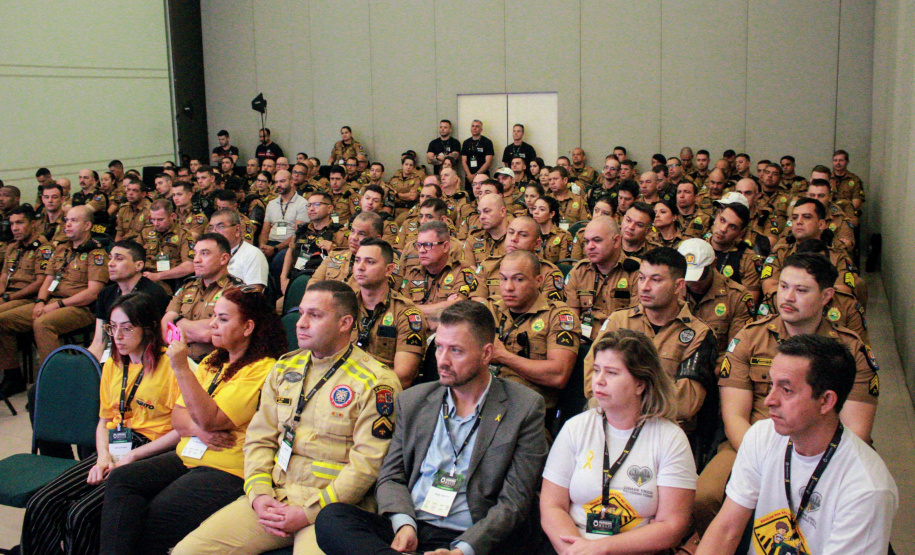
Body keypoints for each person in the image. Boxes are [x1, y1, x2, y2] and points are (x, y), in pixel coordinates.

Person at [172, 281, 401, 555]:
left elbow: (366, 466)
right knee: (188, 551)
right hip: (276, 494)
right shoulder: (285, 366)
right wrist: (259, 494)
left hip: (332, 508)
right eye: (301, 313)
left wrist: (308, 513)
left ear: (345, 323)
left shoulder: (376, 381)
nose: (301, 323)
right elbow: (259, 438)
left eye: (314, 315)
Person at [314, 300, 549, 555]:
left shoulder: (524, 407)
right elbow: (391, 476)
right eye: (439, 348)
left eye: (456, 351)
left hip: (476, 534)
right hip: (415, 526)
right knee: (332, 518)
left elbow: (514, 502)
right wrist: (404, 525)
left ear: (486, 353)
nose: (442, 361)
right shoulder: (413, 400)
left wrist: (462, 550)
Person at [694, 253, 880, 535]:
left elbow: (858, 430)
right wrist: (768, 461)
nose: (788, 297)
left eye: (801, 290)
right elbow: (733, 417)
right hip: (748, 442)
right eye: (783, 286)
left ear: (826, 295)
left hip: (823, 450)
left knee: (832, 512)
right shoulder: (750, 337)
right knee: (704, 498)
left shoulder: (850, 350)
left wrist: (799, 465)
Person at [99, 287, 287, 554]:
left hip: (226, 468)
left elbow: (210, 419)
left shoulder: (262, 368)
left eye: (222, 319)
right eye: (213, 316)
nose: (212, 324)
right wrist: (200, 429)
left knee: (156, 514)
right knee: (121, 479)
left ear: (247, 327)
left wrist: (181, 368)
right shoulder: (213, 359)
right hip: (189, 453)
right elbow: (178, 417)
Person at [697, 335, 897, 555]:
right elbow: (725, 531)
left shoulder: (867, 489)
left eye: (786, 390)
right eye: (771, 384)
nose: (768, 401)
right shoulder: (761, 436)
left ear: (826, 401)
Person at [19, 293, 181, 555]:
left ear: (148, 328)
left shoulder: (172, 365)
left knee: (81, 515)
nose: (117, 336)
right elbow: (104, 420)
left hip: (153, 448)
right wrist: (102, 457)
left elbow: (181, 431)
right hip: (116, 441)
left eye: (127, 328)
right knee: (42, 502)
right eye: (112, 327)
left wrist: (132, 456)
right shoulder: (114, 364)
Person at [540, 329, 696, 554]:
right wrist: (575, 551)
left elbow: (672, 526)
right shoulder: (576, 427)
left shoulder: (670, 438)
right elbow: (552, 507)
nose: (599, 381)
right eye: (596, 370)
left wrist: (602, 549)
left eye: (612, 373)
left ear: (640, 384)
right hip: (573, 546)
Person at [584, 247, 717, 437]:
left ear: (678, 286)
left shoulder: (698, 334)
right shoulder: (619, 321)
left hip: (664, 434)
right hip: (610, 426)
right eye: (641, 278)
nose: (644, 287)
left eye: (656, 280)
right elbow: (591, 380)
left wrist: (622, 398)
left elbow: (686, 404)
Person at [0, 205, 109, 393]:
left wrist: (57, 305)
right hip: (52, 302)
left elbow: (93, 292)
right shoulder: (61, 250)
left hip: (81, 307)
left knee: (43, 324)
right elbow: (47, 280)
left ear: (87, 225)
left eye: (73, 221)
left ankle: (54, 382)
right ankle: (12, 375)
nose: (67, 225)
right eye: (66, 220)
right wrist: (40, 301)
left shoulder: (96, 253)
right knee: (3, 321)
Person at [481, 250, 579, 414]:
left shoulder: (558, 316)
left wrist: (504, 356)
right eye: (503, 279)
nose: (508, 287)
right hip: (484, 401)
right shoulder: (490, 309)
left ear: (538, 281)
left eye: (518, 279)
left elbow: (558, 375)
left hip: (526, 411)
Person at [351, 238, 426, 388]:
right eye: (357, 260)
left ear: (388, 270)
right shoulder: (344, 306)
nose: (360, 267)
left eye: (370, 262)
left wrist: (358, 388)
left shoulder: (406, 314)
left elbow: (403, 377)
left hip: (381, 394)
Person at [161, 233, 244, 361]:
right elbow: (165, 327)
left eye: (204, 253)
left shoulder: (235, 290)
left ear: (223, 259)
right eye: (195, 253)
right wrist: (195, 330)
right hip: (177, 361)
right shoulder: (188, 285)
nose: (196, 260)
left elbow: (208, 334)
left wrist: (177, 322)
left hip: (214, 366)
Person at [88, 240, 171, 363]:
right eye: (110, 258)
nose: (110, 264)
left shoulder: (153, 294)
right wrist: (88, 366)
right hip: (113, 355)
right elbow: (99, 341)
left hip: (144, 359)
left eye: (119, 259)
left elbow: (152, 342)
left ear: (138, 266)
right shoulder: (105, 294)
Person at [565, 217, 641, 341]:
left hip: (621, 343)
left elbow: (635, 323)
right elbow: (572, 319)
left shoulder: (636, 272)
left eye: (597, 240)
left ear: (616, 241)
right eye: (587, 241)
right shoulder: (579, 271)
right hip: (583, 340)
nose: (590, 247)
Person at [678, 238, 753, 364]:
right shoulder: (672, 290)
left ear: (713, 264)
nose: (693, 282)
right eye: (688, 276)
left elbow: (736, 349)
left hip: (715, 366)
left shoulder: (736, 296)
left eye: (700, 276)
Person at [399, 221, 478, 330]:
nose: (421, 250)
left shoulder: (462, 271)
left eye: (427, 245)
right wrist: (443, 307)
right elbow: (401, 309)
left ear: (445, 246)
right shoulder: (413, 274)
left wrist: (414, 309)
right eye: (419, 245)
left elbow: (456, 308)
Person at [0, 207, 54, 315]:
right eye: (11, 224)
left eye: (19, 223)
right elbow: (4, 276)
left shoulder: (44, 249)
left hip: (27, 297)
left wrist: (10, 297)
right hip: (8, 294)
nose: (14, 228)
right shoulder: (12, 247)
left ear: (33, 223)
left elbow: (40, 282)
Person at [208, 209, 269, 291]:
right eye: (211, 228)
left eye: (221, 227)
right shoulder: (209, 254)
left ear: (237, 230)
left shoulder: (253, 254)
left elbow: (254, 294)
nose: (214, 232)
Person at [532, 196, 572, 263]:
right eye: (534, 208)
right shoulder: (531, 234)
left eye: (542, 209)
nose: (536, 212)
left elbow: (564, 265)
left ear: (551, 214)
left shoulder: (563, 236)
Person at [114, 176, 151, 242]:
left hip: (140, 246)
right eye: (128, 190)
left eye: (135, 191)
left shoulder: (149, 211)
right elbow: (119, 234)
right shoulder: (123, 209)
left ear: (143, 194)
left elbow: (148, 239)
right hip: (125, 244)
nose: (130, 193)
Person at [461, 119, 495, 185]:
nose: (474, 128)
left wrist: (476, 175)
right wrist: (469, 175)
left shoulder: (487, 142)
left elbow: (488, 162)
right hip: (469, 177)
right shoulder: (466, 143)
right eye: (473, 126)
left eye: (477, 126)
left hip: (483, 176)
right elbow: (463, 161)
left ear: (481, 130)